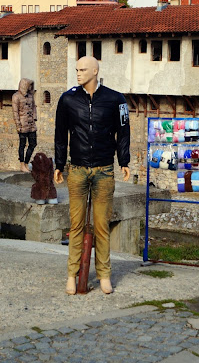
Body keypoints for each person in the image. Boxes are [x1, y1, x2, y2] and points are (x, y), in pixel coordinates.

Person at [54, 56, 130, 295]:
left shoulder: (115, 99)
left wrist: (124, 161)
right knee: (75, 225)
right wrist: (58, 164)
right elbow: (60, 134)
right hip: (76, 169)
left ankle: (104, 275)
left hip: (104, 169)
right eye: (76, 69)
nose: (78, 73)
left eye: (83, 69)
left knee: (101, 226)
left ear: (95, 71)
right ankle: (71, 275)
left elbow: (123, 131)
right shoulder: (67, 99)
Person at [12, 78, 37, 172]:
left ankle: (26, 163)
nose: (30, 87)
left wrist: (35, 117)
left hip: (31, 124)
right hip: (22, 125)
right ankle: (22, 165)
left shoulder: (31, 96)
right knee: (22, 145)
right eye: (28, 85)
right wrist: (18, 125)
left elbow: (34, 107)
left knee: (33, 143)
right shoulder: (16, 96)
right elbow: (15, 112)